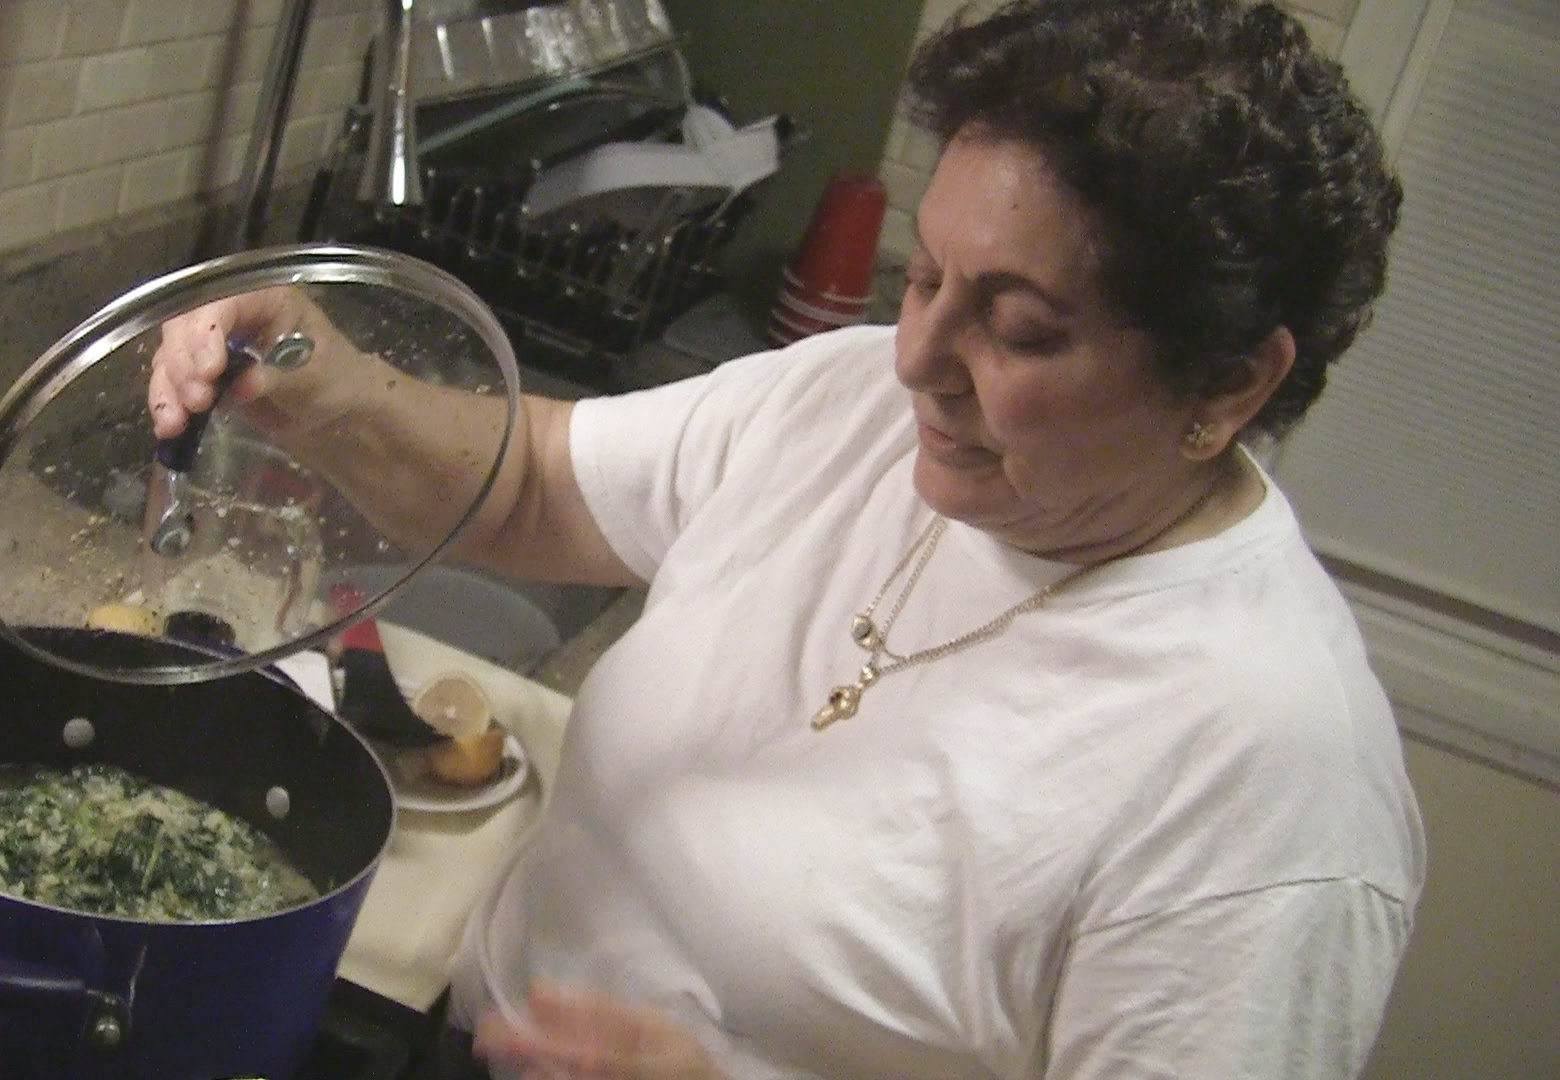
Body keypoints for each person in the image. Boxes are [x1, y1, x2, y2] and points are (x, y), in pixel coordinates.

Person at [149, 0, 1426, 1075]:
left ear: (1230, 385)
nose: (917, 357)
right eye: (926, 276)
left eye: (1020, 328)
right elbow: (533, 486)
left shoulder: (1273, 789)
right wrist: (325, 383)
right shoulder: (851, 400)